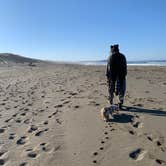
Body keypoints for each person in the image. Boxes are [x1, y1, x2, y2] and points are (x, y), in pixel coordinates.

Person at [106, 44, 127, 108]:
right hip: (121, 76)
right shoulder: (123, 56)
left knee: (111, 89)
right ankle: (120, 102)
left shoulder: (110, 57)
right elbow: (125, 67)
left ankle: (111, 101)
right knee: (122, 89)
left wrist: (107, 75)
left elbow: (108, 68)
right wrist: (124, 74)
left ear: (112, 50)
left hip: (112, 76)